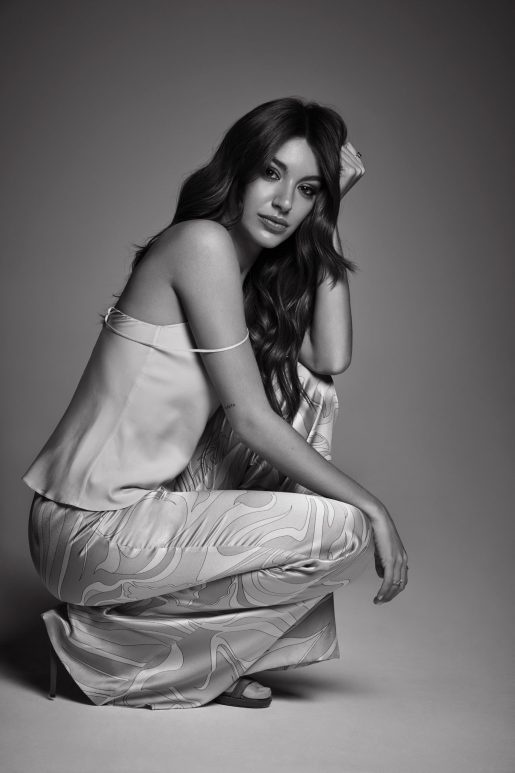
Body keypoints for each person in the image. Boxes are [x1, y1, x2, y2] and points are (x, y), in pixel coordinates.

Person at [23, 97, 408, 710]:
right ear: (240, 169)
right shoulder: (200, 244)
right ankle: (109, 649)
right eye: (272, 173)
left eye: (307, 190)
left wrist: (329, 216)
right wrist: (374, 507)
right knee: (347, 530)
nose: (284, 202)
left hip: (144, 514)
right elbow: (248, 418)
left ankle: (143, 645)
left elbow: (330, 357)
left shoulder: (241, 274)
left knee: (307, 387)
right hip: (87, 529)